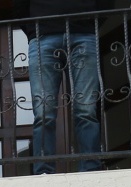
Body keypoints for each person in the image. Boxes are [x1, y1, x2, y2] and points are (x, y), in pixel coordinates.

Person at [22, 0, 109, 174]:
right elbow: (20, 6)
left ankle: (90, 168)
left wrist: (90, 24)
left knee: (86, 109)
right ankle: (44, 171)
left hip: (83, 34)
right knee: (43, 113)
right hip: (42, 36)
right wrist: (33, 30)